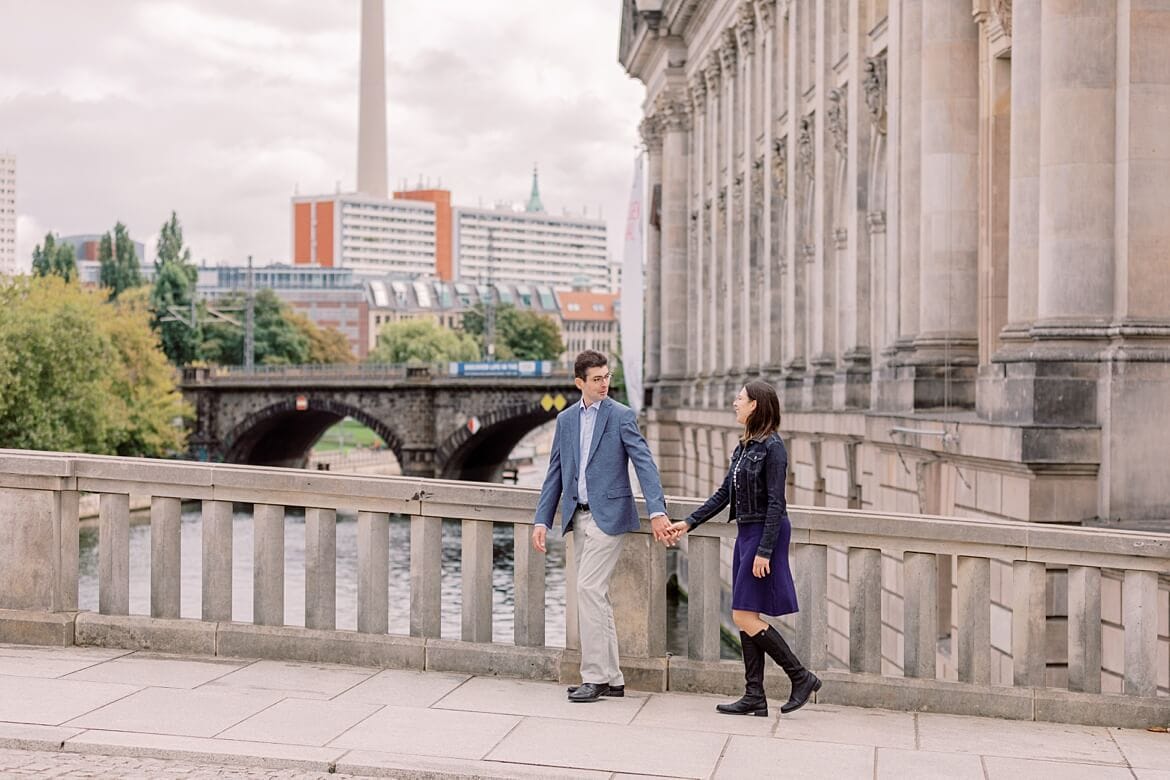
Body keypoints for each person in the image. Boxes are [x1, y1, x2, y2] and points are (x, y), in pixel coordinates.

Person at [666, 380, 820, 717]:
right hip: (746, 532)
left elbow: (777, 503)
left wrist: (764, 551)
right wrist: (689, 522)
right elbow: (724, 495)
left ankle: (801, 677)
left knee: (742, 615)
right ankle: (754, 695)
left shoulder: (773, 448)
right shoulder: (744, 447)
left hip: (766, 533)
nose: (734, 403)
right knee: (746, 613)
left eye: (739, 398)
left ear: (755, 405)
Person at [532, 350, 673, 703]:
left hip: (608, 517)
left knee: (588, 590)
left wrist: (657, 510)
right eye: (596, 378)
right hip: (577, 517)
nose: (604, 383)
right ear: (580, 382)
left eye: (607, 376)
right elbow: (555, 473)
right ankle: (613, 678)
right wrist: (541, 519)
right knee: (598, 596)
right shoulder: (565, 421)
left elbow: (645, 464)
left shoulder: (621, 416)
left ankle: (593, 677)